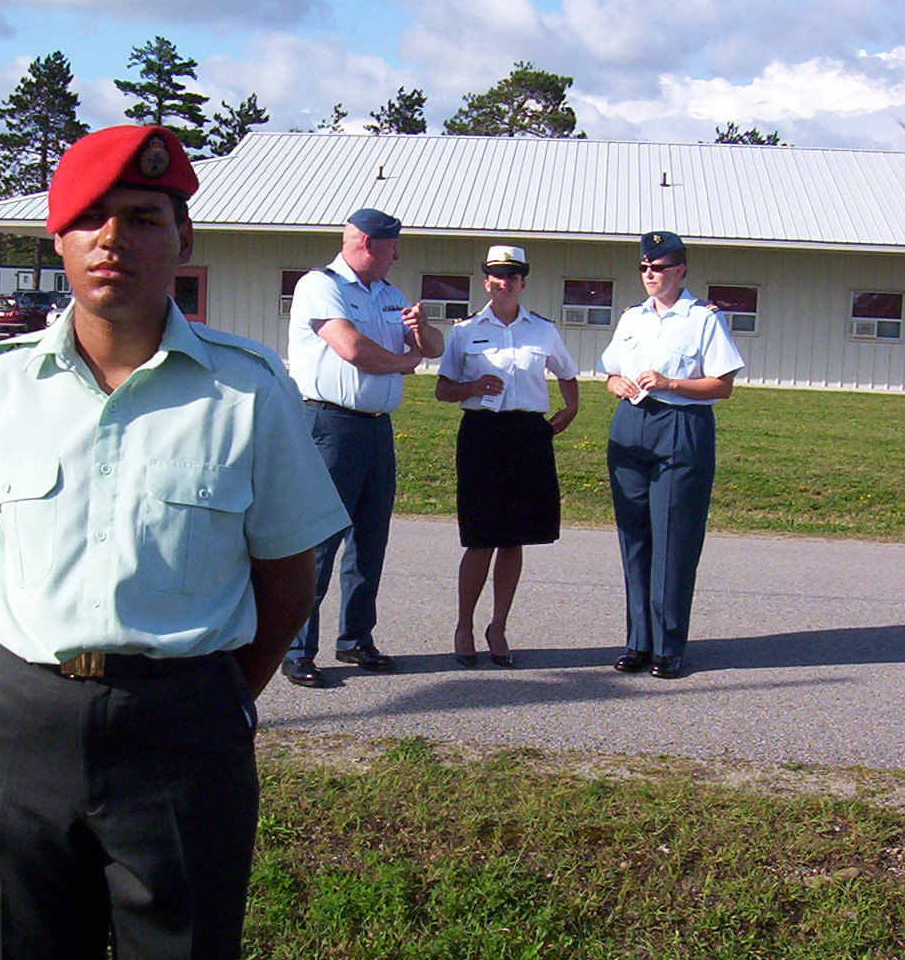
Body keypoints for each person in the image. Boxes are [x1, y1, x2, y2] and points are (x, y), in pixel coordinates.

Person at [0, 124, 349, 960]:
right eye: (89, 221)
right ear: (58, 243)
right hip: (25, 724)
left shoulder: (247, 392)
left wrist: (205, 693)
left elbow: (287, 580)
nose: (114, 239)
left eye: (143, 218)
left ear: (182, 240)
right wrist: (43, 663)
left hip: (181, 733)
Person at [280, 207, 443, 688]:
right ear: (369, 244)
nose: (397, 255)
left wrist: (421, 330)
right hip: (330, 425)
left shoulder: (390, 295)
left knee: (370, 539)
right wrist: (407, 362)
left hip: (376, 428)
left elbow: (433, 348)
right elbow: (353, 350)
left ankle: (355, 638)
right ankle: (296, 649)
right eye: (393, 246)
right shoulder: (321, 286)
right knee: (320, 541)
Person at [601, 229, 744, 679]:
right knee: (634, 535)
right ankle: (638, 642)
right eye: (644, 267)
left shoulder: (702, 319)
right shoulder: (632, 318)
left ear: (679, 270)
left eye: (658, 267)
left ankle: (668, 646)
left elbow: (722, 385)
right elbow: (610, 372)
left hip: (680, 423)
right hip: (631, 423)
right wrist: (615, 384)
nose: (649, 274)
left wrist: (671, 383)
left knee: (673, 538)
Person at [434, 245, 579, 668]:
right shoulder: (465, 331)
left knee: (514, 538)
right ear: (486, 282)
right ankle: (464, 626)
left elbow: (567, 373)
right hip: (482, 435)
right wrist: (473, 387)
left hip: (527, 436)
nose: (505, 282)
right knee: (480, 538)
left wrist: (570, 409)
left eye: (513, 276)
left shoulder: (543, 330)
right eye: (497, 275)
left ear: (523, 283)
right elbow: (443, 390)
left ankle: (498, 627)